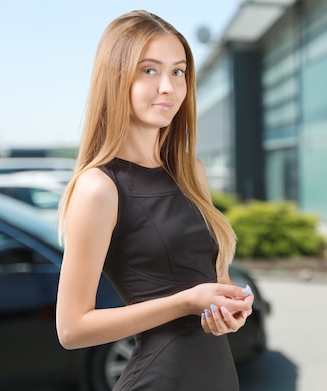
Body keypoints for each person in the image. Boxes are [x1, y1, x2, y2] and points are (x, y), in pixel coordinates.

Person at [55, 10, 253, 390]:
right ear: (116, 78)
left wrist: (231, 310)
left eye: (178, 71)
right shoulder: (100, 186)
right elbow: (72, 328)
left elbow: (215, 284)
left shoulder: (191, 172)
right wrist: (185, 303)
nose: (168, 86)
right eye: (149, 70)